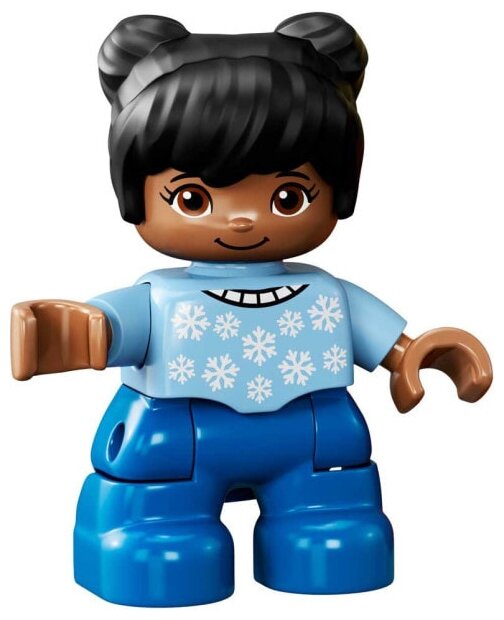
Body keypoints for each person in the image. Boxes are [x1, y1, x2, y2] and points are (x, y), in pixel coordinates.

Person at [10, 12, 492, 607]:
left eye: (287, 196)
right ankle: (153, 535)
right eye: (193, 198)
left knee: (334, 526)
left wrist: (414, 355)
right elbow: (108, 325)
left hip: (312, 440)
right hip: (176, 440)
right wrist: (80, 331)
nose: (241, 218)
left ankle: (319, 528)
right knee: (160, 536)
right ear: (136, 195)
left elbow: (383, 341)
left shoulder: (327, 293)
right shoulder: (158, 297)